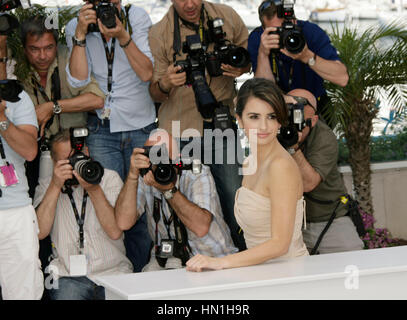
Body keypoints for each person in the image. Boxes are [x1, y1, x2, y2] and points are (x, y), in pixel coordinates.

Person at [148, 0, 251, 252]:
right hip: (179, 130)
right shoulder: (160, 33)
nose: (190, 4)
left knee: (234, 197)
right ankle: (190, 259)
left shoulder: (227, 17)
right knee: (185, 200)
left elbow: (246, 62)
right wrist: (167, 83)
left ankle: (246, 257)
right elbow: (154, 94)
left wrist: (239, 68)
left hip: (220, 125)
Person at [65, 0, 157, 272]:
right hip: (101, 128)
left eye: (113, 2)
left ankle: (142, 275)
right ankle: (117, 273)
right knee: (108, 204)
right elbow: (78, 81)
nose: (109, 7)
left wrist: (122, 36)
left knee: (141, 206)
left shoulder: (135, 17)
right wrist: (80, 35)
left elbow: (147, 72)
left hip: (139, 124)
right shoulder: (77, 25)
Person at [186, 78, 308, 272]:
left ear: (281, 120)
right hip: (259, 273)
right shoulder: (250, 162)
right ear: (239, 119)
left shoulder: (280, 166)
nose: (264, 126)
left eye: (271, 116)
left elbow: (280, 244)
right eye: (254, 117)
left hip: (288, 275)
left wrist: (220, 262)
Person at [115, 130, 238, 271]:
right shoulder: (146, 175)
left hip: (211, 259)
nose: (159, 163)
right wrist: (132, 175)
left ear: (178, 158)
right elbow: (123, 222)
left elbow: (201, 227)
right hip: (168, 261)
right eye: (153, 156)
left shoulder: (195, 171)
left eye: (164, 155)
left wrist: (168, 190)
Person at [33, 129, 133, 300]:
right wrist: (55, 186)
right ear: (54, 161)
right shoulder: (47, 185)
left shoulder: (109, 178)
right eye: (66, 161)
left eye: (76, 157)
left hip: (113, 272)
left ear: (86, 153)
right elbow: (40, 232)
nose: (72, 166)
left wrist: (93, 189)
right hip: (66, 275)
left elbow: (115, 232)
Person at [16, 15, 105, 197]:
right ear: (24, 49)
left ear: (57, 45)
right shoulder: (17, 69)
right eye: (34, 49)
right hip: (37, 153)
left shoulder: (69, 58)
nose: (42, 56)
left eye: (49, 48)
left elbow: (97, 100)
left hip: (76, 147)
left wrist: (53, 107)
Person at [284, 88, 364, 254]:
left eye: (298, 117)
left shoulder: (324, 136)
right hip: (292, 223)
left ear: (313, 120)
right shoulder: (272, 130)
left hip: (329, 219)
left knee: (355, 261)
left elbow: (308, 183)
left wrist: (293, 147)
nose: (291, 123)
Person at [248, 0, 349, 121]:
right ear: (263, 29)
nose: (284, 35)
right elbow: (264, 91)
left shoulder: (311, 33)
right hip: (278, 109)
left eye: (287, 28)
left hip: (315, 108)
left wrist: (307, 56)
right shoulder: (258, 39)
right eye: (276, 31)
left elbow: (342, 78)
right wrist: (263, 54)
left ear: (294, 21)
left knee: (324, 138)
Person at [0, 84, 43, 299]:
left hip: (13, 208)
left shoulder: (14, 96)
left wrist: (2, 118)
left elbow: (29, 151)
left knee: (24, 291)